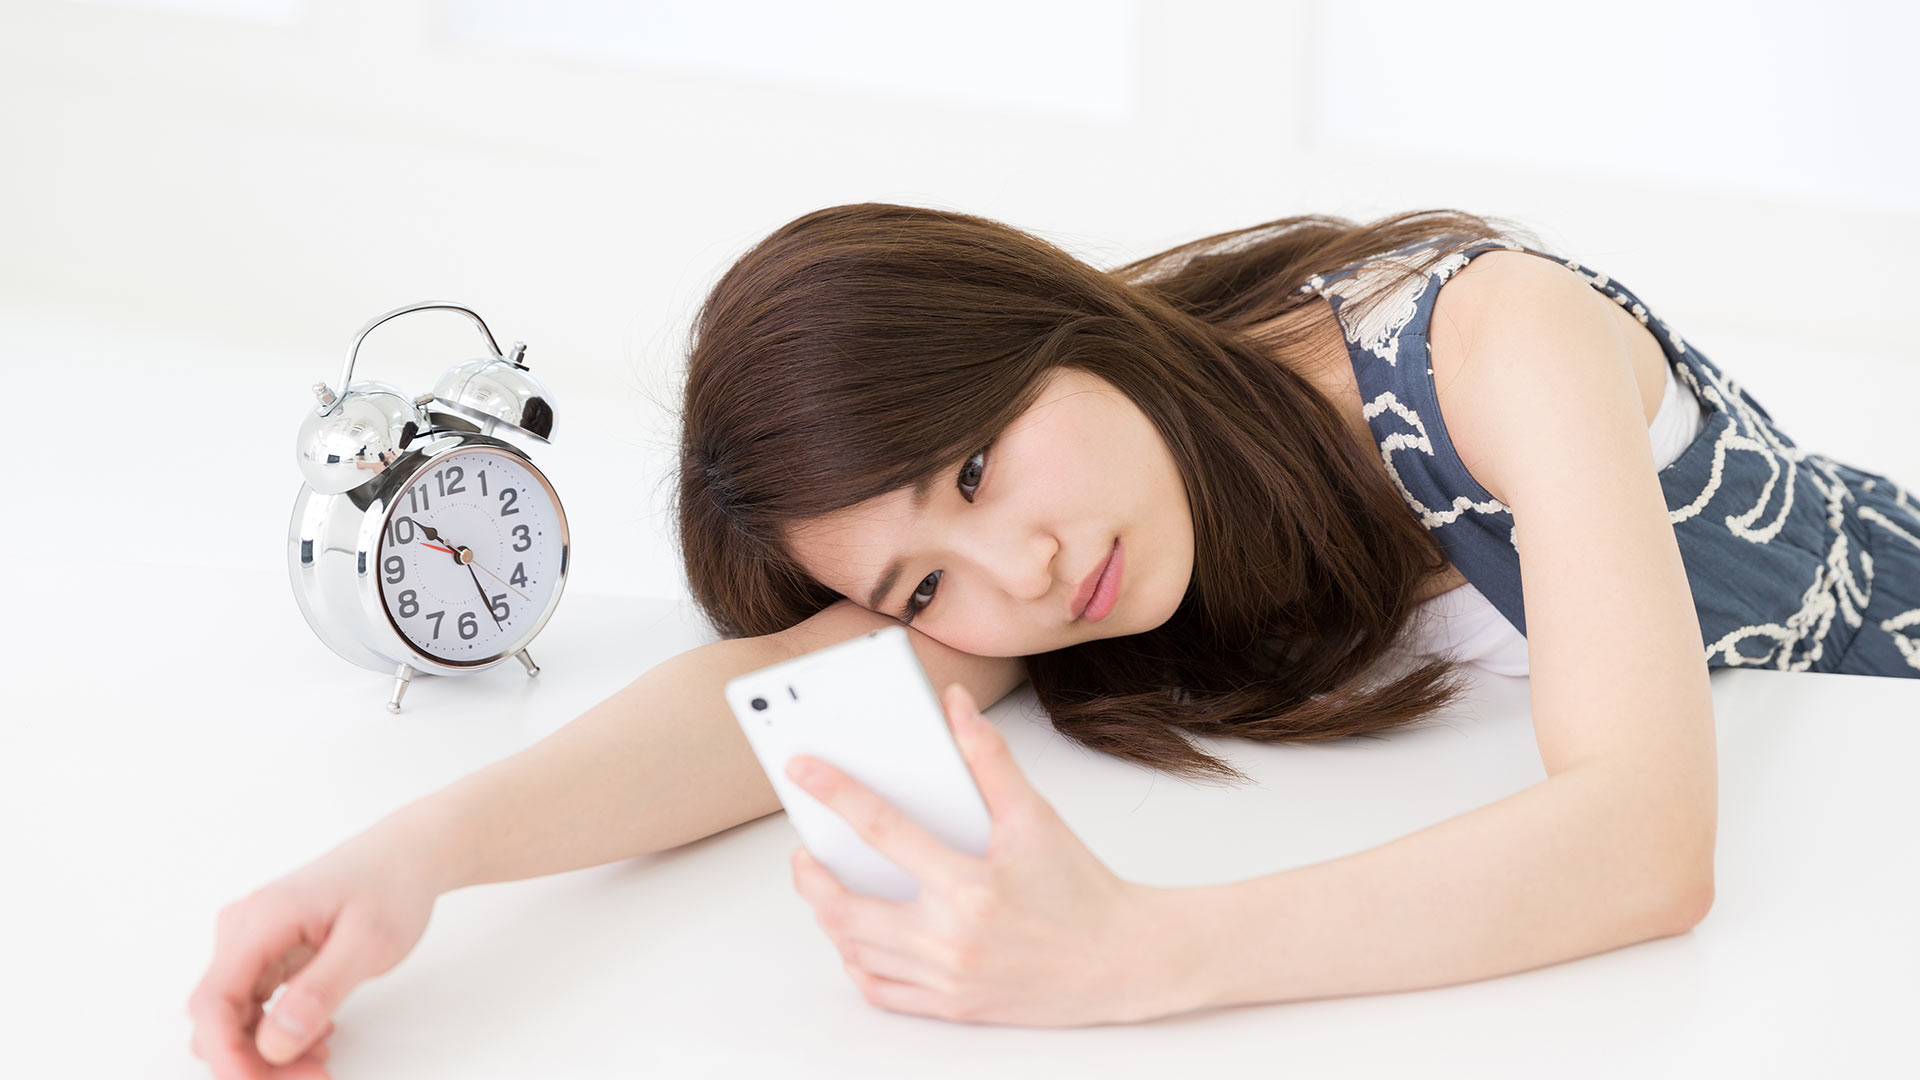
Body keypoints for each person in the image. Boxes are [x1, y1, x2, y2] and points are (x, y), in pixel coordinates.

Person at [188, 205, 1920, 1073]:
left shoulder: (1483, 337)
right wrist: (421, 852)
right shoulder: (1085, 548)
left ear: (1048, 326)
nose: (1014, 575)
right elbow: (767, 701)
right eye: (926, 587)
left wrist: (1134, 957)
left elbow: (1645, 839)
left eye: (972, 464)